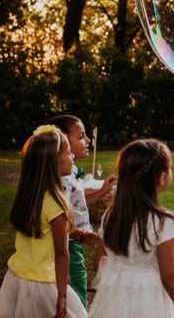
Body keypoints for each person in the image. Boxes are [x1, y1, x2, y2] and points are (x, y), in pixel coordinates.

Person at [88, 139, 174, 318]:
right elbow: (170, 279)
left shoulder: (111, 215)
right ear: (162, 177)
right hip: (148, 301)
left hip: (113, 300)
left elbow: (99, 260)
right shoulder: (164, 222)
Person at [0, 125, 87, 318]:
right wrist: (62, 295)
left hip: (17, 279)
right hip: (44, 285)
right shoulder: (57, 202)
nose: (73, 157)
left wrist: (83, 236)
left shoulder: (31, 196)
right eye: (69, 153)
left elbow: (46, 232)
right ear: (54, 162)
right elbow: (62, 254)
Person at [47, 114, 117, 307]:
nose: (88, 140)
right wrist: (84, 235)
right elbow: (59, 216)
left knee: (75, 283)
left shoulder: (69, 171)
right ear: (62, 141)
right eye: (81, 136)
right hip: (68, 241)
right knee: (77, 286)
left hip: (73, 240)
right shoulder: (62, 178)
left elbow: (76, 203)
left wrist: (102, 191)